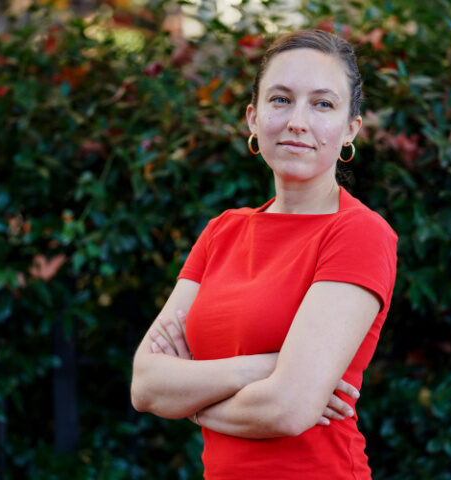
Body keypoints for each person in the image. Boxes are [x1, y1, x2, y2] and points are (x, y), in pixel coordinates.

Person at [131, 29, 398, 479]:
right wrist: (267, 368)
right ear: (253, 118)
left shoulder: (358, 233)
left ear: (350, 129)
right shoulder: (222, 232)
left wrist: (191, 404)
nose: (297, 120)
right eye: (280, 99)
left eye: (322, 104)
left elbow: (288, 410)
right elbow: (146, 385)